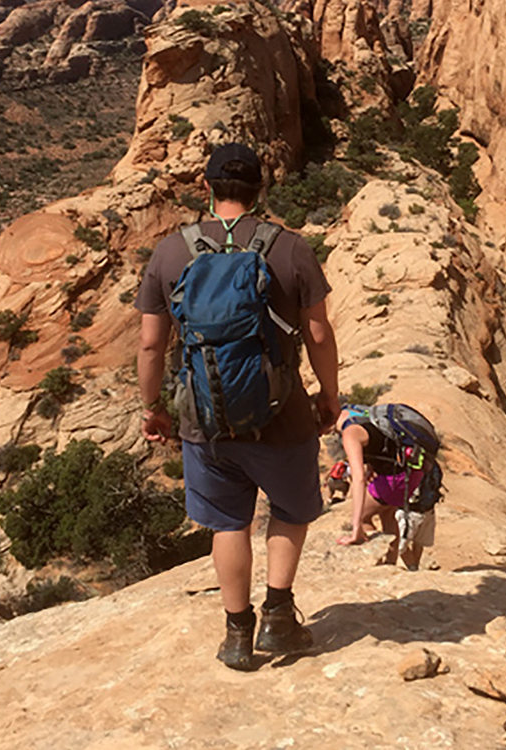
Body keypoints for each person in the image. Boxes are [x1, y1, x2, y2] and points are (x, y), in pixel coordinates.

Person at [135, 142, 339, 671]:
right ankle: (278, 615)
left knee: (229, 522)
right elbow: (318, 334)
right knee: (292, 511)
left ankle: (236, 634)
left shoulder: (170, 252)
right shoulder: (291, 249)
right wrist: (329, 398)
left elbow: (152, 345)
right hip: (282, 411)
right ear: (260, 188)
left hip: (204, 418)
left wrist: (152, 406)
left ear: (207, 188)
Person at [334, 405, 436, 570]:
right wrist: (373, 468)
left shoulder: (349, 433)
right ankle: (390, 564)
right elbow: (380, 443)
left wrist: (356, 528)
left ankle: (373, 556)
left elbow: (358, 478)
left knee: (363, 516)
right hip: (410, 473)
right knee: (387, 515)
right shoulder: (356, 412)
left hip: (394, 479)